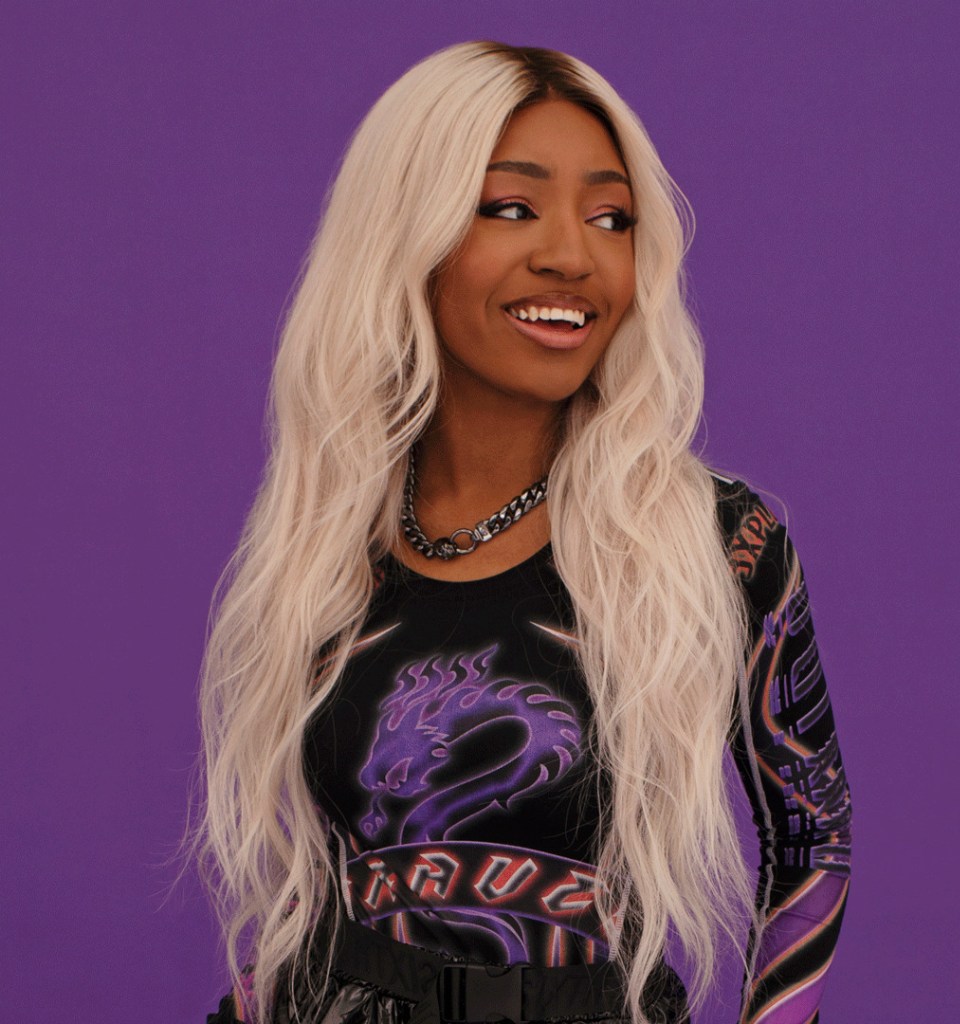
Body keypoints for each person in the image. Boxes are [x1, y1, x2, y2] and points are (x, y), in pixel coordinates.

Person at [197, 41, 852, 1024]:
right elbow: (331, 886)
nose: (571, 254)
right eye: (511, 207)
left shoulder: (715, 543)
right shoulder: (331, 536)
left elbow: (813, 841)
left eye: (610, 217)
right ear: (404, 234)